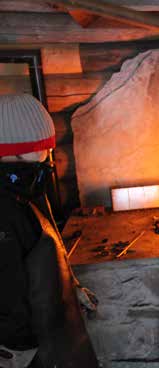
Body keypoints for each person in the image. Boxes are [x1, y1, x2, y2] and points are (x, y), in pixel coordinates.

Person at [0, 94, 98, 367]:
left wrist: (70, 287)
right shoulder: (5, 210)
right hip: (28, 349)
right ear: (12, 151)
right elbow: (7, 287)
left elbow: (46, 251)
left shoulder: (27, 186)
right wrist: (15, 348)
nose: (49, 155)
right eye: (42, 148)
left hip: (54, 333)